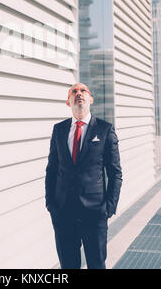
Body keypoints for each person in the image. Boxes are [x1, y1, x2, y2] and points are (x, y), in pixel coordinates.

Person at [45, 83, 122, 269]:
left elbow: (115, 173)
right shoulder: (59, 130)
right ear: (68, 101)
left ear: (90, 99)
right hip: (63, 213)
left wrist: (108, 208)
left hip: (94, 214)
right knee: (68, 266)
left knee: (96, 264)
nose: (78, 93)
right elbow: (52, 170)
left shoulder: (105, 129)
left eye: (83, 91)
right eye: (74, 91)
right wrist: (51, 204)